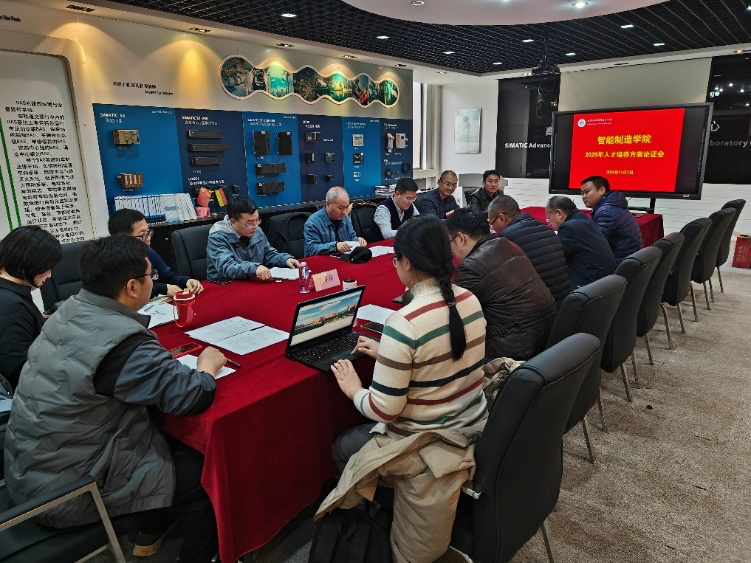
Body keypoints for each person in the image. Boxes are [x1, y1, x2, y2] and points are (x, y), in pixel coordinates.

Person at [4, 235, 226, 563]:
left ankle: (153, 527)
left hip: (30, 467)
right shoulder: (124, 345)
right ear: (133, 286)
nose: (154, 281)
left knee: (165, 438)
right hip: (68, 492)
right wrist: (207, 366)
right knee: (203, 472)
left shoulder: (68, 309)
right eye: (152, 276)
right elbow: (192, 396)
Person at [329, 214, 488, 467]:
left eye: (396, 260)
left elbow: (383, 410)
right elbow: (442, 357)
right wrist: (389, 354)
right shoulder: (470, 299)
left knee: (341, 445)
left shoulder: (404, 323)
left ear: (407, 263)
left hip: (423, 443)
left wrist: (353, 388)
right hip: (474, 425)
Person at [447, 209, 556, 361]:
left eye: (449, 242)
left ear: (460, 238)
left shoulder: (471, 266)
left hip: (516, 350)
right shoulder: (507, 244)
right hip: (546, 337)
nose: (451, 250)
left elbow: (453, 313)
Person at [0, 225, 61, 389]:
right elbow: (18, 369)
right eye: (47, 268)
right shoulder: (9, 306)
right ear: (30, 264)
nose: (50, 274)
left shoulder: (10, 293)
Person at [488, 195, 573, 309]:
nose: (493, 229)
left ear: (502, 218)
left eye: (492, 224)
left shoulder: (507, 238)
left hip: (544, 307)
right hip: (567, 301)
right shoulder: (546, 228)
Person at [108, 209, 204, 298]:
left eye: (148, 233)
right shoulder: (113, 262)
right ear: (123, 239)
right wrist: (163, 288)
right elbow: (130, 292)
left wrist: (186, 281)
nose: (148, 238)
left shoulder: (148, 251)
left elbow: (167, 276)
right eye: (142, 235)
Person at [207, 195, 300, 281]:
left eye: (257, 220)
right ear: (233, 222)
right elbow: (227, 267)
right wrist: (255, 268)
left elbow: (268, 254)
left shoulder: (256, 230)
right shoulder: (217, 237)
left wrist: (285, 260)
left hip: (251, 280)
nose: (255, 226)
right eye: (250, 222)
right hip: (225, 284)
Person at [546, 195, 617, 288]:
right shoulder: (584, 220)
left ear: (559, 213)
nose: (550, 223)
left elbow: (557, 258)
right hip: (607, 282)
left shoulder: (568, 227)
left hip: (589, 285)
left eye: (549, 218)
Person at [580, 175, 642, 263]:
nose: (584, 196)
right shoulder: (612, 205)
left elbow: (594, 243)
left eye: (587, 192)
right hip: (627, 259)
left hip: (619, 262)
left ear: (602, 190)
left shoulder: (605, 211)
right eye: (582, 193)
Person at [303, 187, 367, 256]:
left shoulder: (346, 218)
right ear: (328, 204)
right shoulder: (313, 223)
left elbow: (351, 237)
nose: (344, 212)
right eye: (340, 208)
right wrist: (335, 246)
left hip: (342, 258)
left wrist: (357, 241)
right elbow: (312, 249)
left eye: (346, 207)